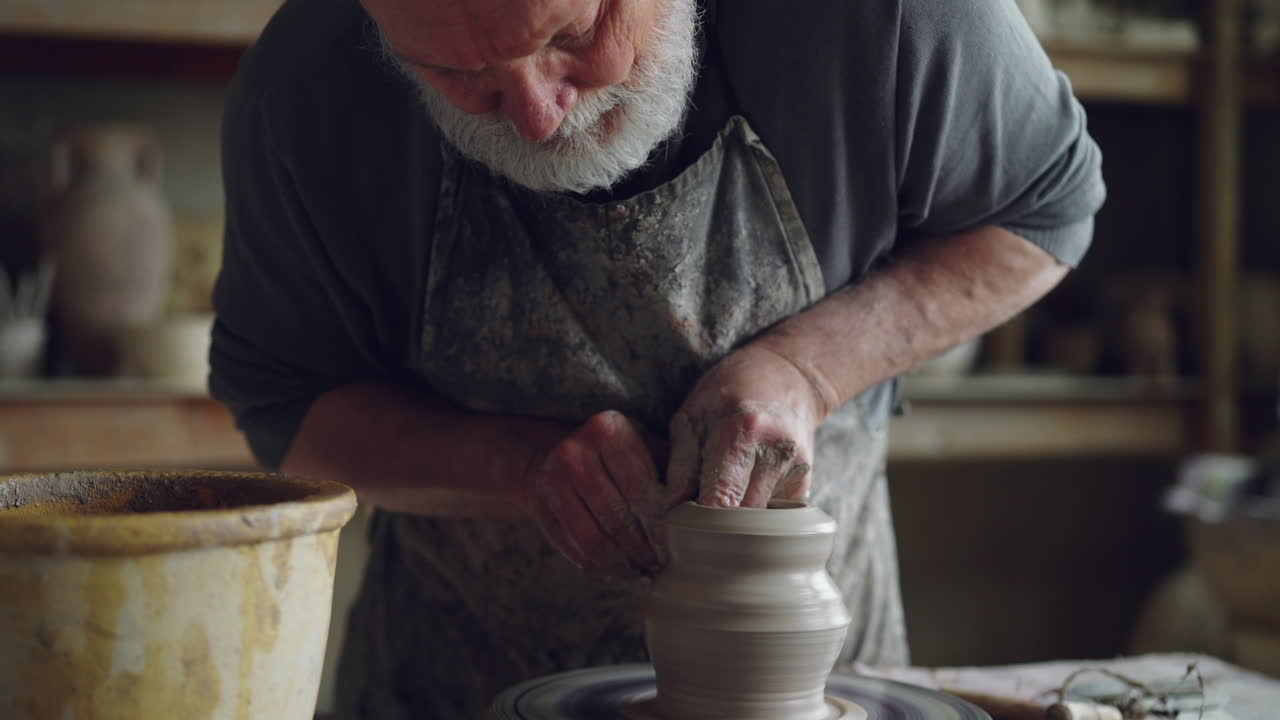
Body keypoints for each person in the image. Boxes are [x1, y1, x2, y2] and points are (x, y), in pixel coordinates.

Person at [211, 0, 1106, 716]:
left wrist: (813, 368)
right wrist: (520, 471)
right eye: (456, 75)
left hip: (808, 685)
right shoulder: (305, 83)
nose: (532, 113)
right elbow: (287, 405)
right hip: (458, 676)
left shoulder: (886, 16)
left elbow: (1046, 211)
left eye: (575, 34)